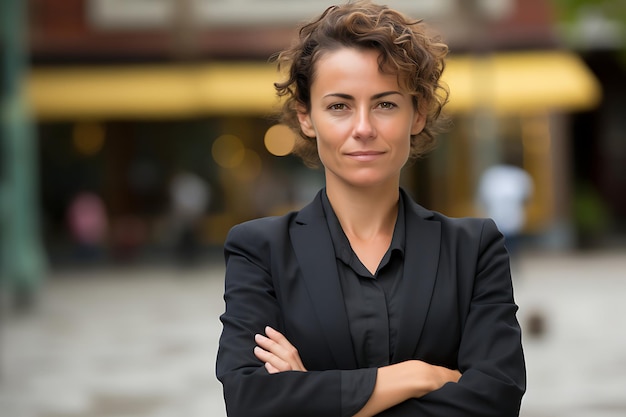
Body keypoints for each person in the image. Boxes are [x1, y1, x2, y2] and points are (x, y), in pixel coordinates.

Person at [216, 1, 526, 416]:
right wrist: (415, 376)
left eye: (385, 104)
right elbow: (251, 402)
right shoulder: (259, 250)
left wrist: (310, 390)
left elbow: (495, 402)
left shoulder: (474, 250)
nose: (363, 128)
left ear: (417, 113)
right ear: (306, 117)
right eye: (339, 106)